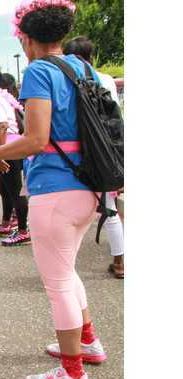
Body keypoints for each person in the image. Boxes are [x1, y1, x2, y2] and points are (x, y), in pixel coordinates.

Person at [0, 0, 106, 379]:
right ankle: (87, 343)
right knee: (68, 272)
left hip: (56, 190)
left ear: (26, 39)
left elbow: (36, 138)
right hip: (88, 187)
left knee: (59, 282)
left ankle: (73, 373)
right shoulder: (82, 66)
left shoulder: (40, 71)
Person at [62, 35, 124, 278]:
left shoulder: (65, 78)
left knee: (69, 208)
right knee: (109, 206)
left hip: (75, 150)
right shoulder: (105, 78)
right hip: (106, 148)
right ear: (90, 56)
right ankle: (119, 262)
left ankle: (66, 268)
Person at [0, 66, 31, 246]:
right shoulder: (3, 98)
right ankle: (6, 224)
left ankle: (23, 232)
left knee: (15, 191)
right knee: (5, 188)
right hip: (11, 143)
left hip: (7, 146)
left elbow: (2, 126)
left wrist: (0, 154)